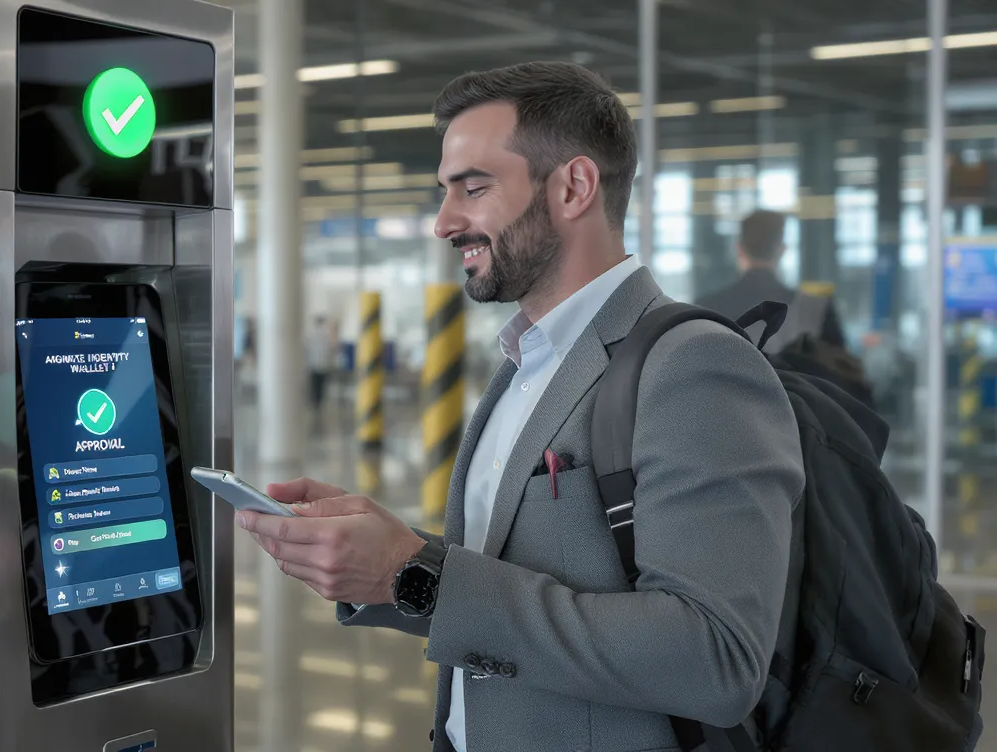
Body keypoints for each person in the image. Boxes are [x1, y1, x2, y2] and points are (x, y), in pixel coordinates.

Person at [235, 61, 805, 752]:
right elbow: (507, 590)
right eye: (445, 193)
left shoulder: (692, 366)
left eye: (473, 189)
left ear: (574, 186)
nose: (445, 222)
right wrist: (389, 560)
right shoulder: (525, 364)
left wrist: (417, 574)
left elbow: (716, 659)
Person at [696, 209, 847, 349]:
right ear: (782, 250)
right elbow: (841, 370)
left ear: (739, 249)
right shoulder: (816, 310)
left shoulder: (705, 309)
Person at [305, 315, 334, 411]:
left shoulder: (311, 335)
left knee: (314, 384)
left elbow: (307, 350)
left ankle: (314, 402)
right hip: (322, 365)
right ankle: (319, 402)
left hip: (313, 365)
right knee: (321, 385)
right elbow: (329, 350)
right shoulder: (326, 335)